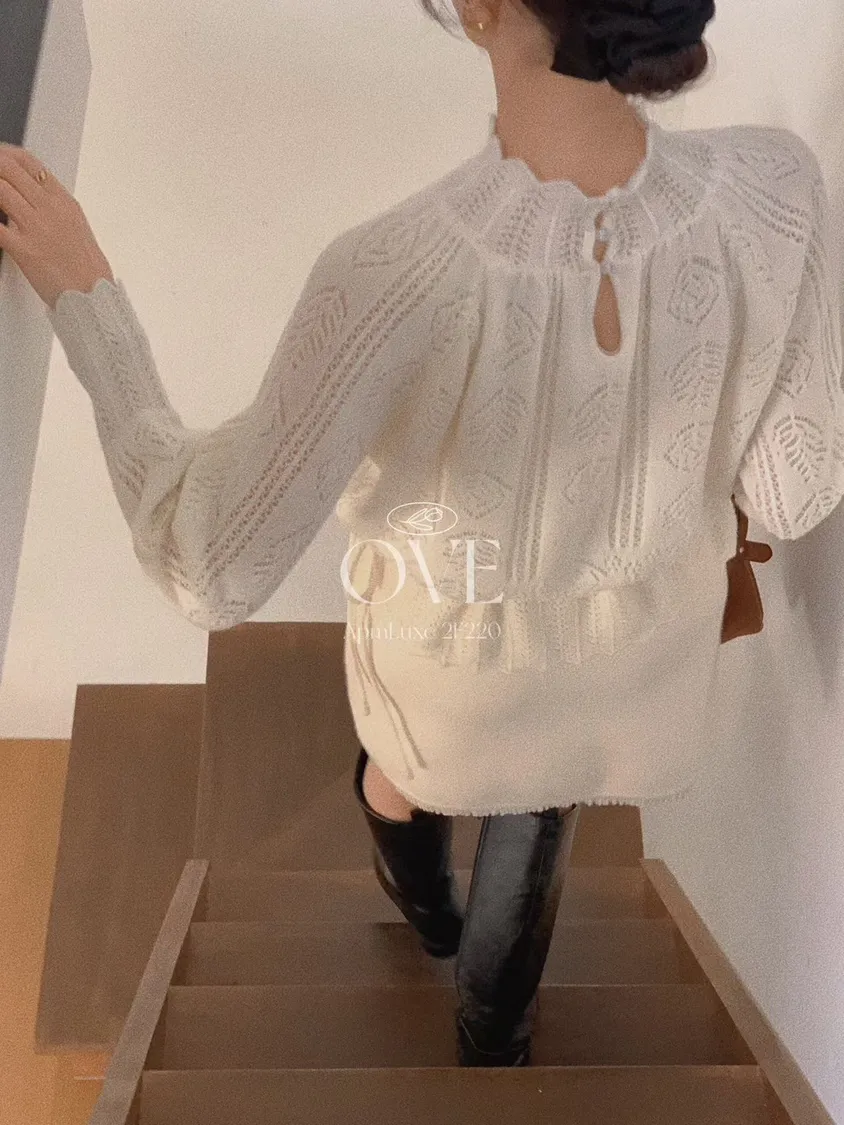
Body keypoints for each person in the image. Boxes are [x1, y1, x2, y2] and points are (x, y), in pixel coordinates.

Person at [3, 0, 843, 1070]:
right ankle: (494, 1045)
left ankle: (428, 917)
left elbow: (210, 567)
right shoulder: (777, 191)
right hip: (636, 688)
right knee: (541, 819)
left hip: (453, 689)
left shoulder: (395, 276)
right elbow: (792, 490)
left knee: (400, 778)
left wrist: (88, 299)